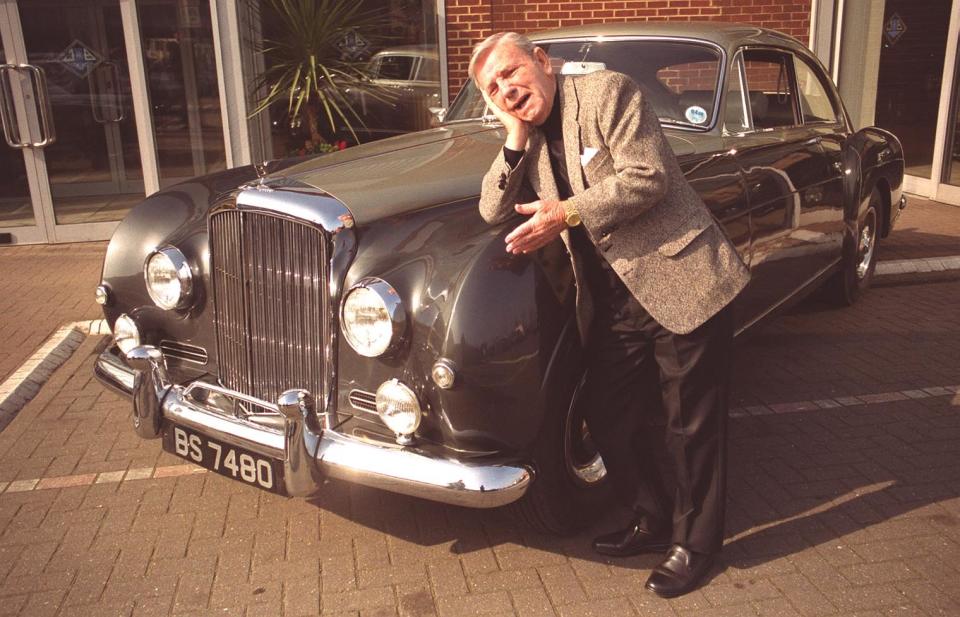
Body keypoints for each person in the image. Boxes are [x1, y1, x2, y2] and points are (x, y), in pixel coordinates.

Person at [470, 32, 751, 598]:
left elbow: (648, 176)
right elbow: (491, 208)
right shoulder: (524, 136)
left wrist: (565, 213)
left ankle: (696, 546)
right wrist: (515, 136)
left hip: (682, 277)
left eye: (511, 73)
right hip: (616, 301)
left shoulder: (607, 94)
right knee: (607, 413)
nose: (506, 90)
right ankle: (651, 519)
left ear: (542, 63)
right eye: (492, 88)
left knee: (688, 427)